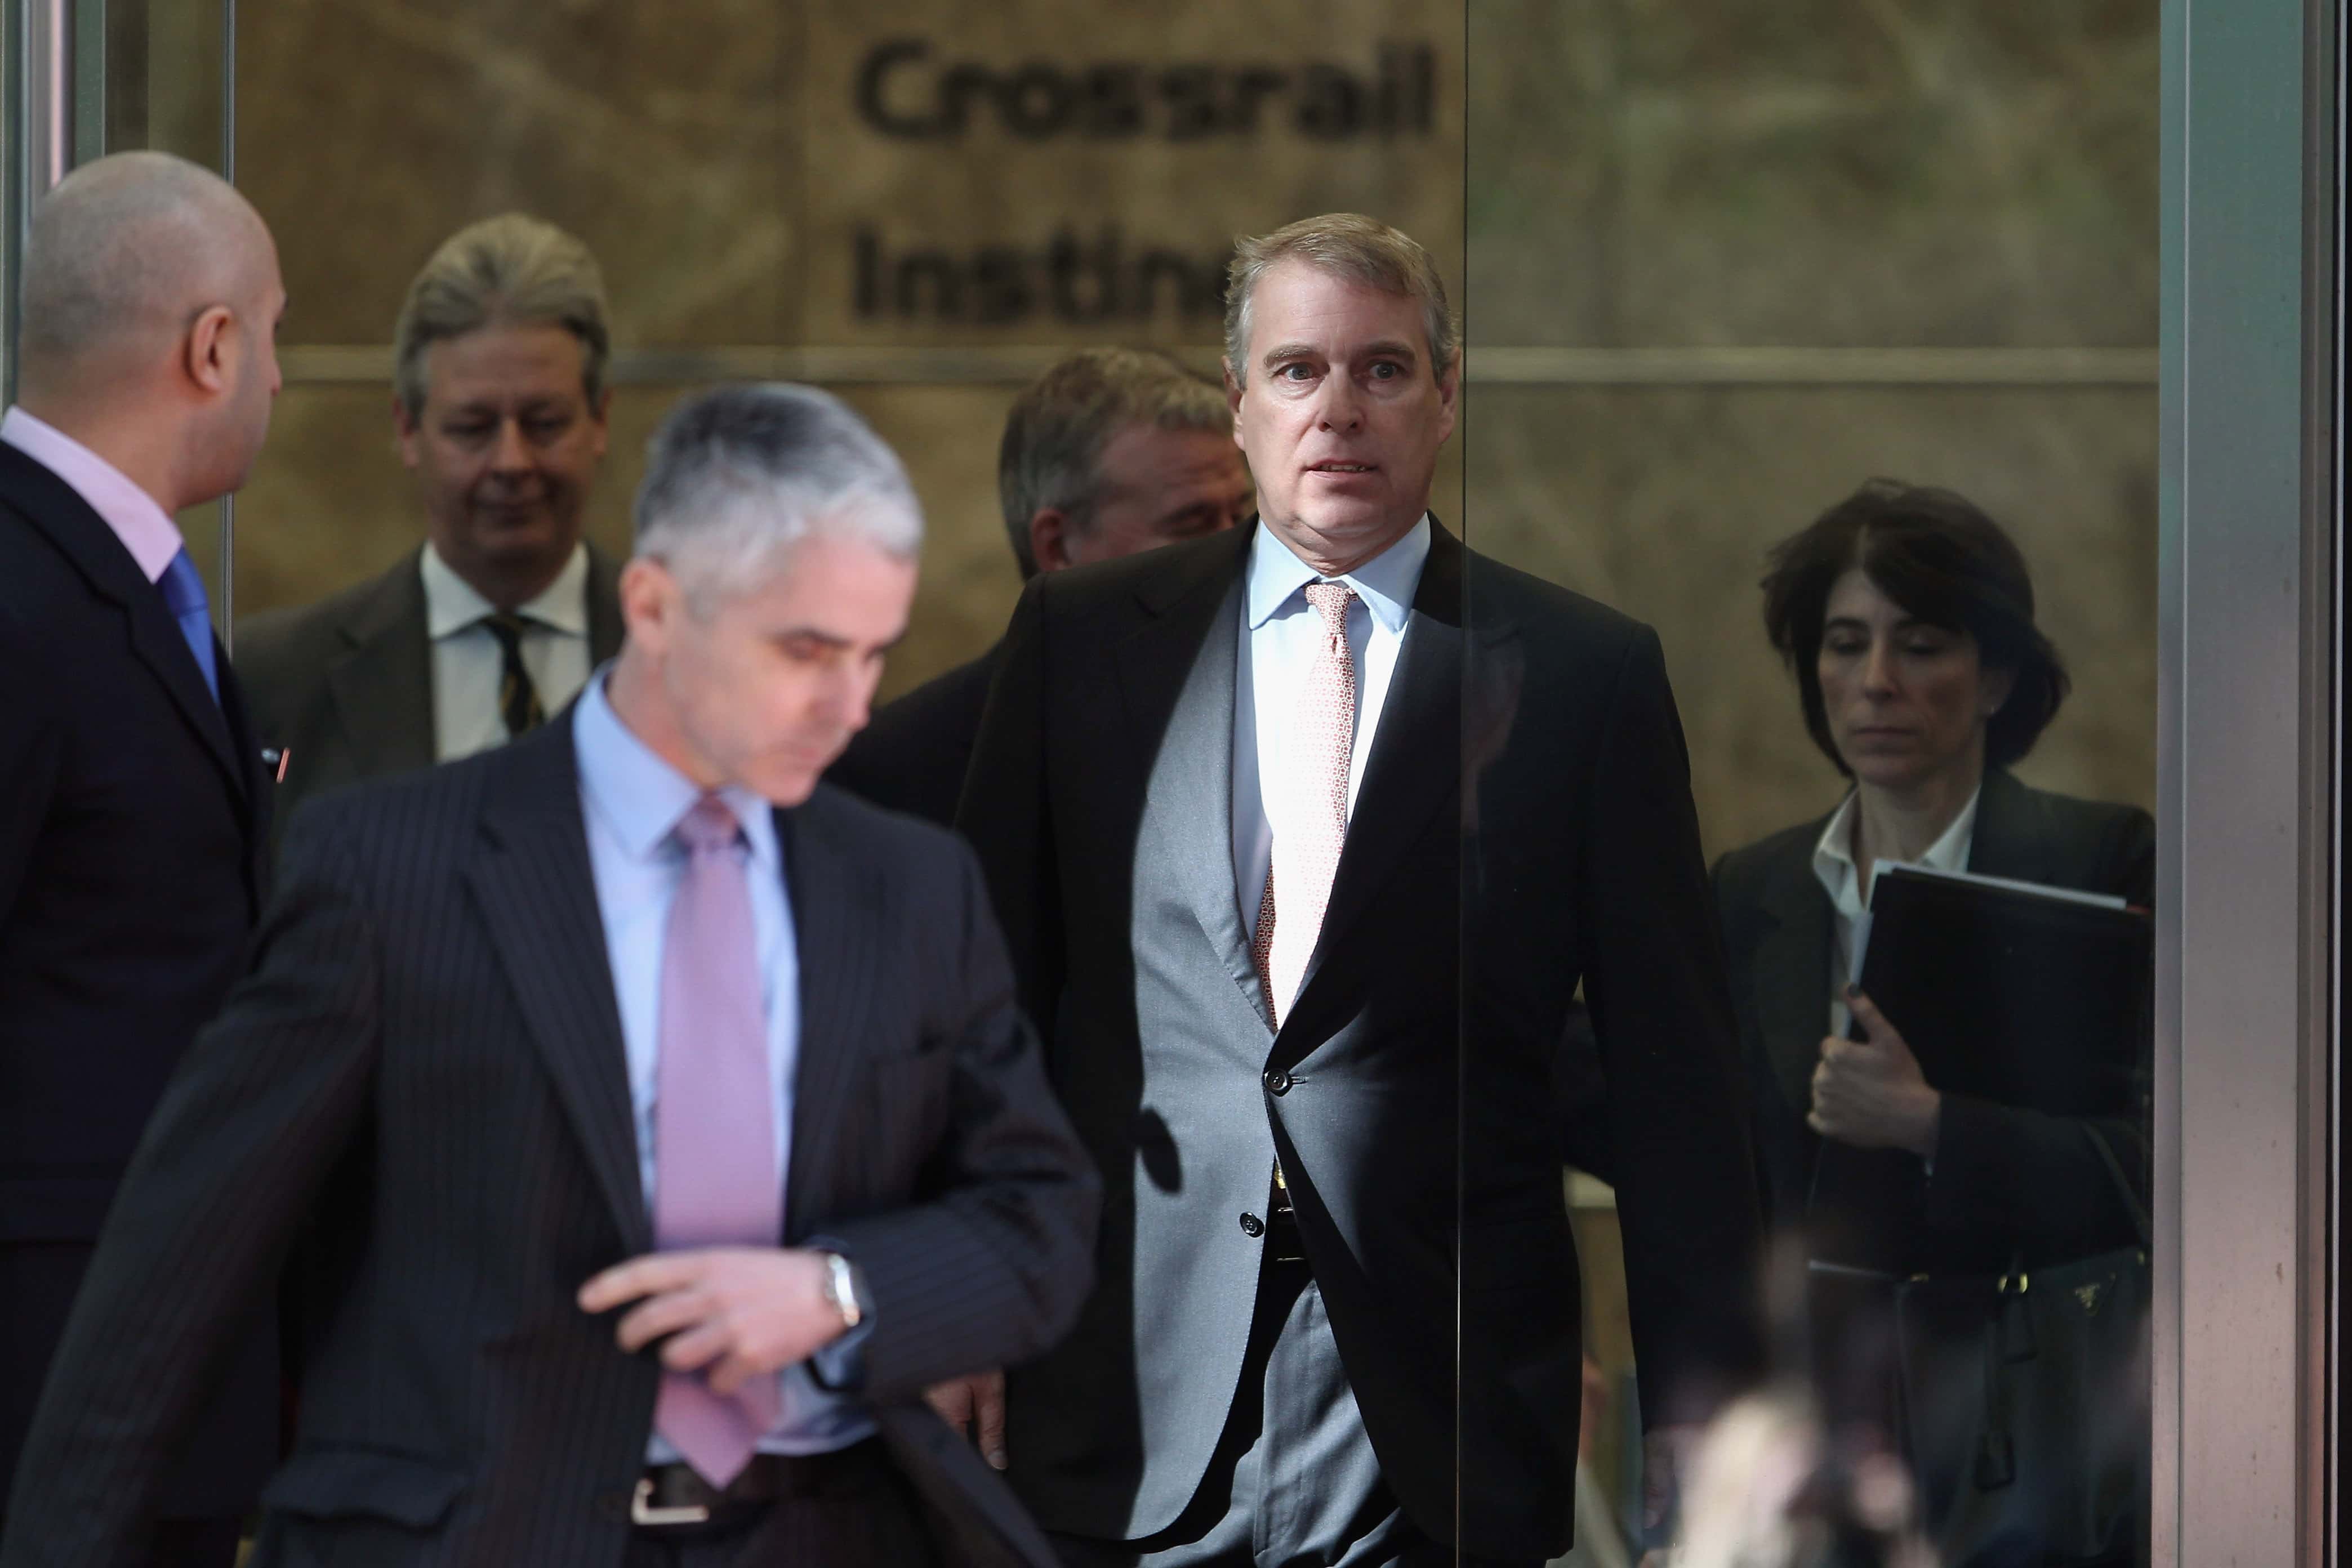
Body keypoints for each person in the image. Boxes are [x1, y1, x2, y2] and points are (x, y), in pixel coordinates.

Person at [0, 385, 1100, 1568]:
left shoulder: (908, 884)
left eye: (874, 653)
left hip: (829, 1531)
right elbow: (172, 1281)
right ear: (656, 607)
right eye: (806, 651)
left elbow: (1037, 1221)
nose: (854, 707)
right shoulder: (391, 872)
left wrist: (840, 1291)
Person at [955, 213, 1763, 1567]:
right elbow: (974, 1008)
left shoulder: (1581, 674)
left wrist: (1708, 1399)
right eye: (1296, 371)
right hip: (1126, 1373)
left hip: (1431, 1391)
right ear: (1239, 403)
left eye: (1382, 370)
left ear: (1445, 397)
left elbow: (1673, 1075)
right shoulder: (1085, 642)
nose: (1337, 410)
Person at [1710, 480, 2153, 1564]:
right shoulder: (1755, 888)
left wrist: (1931, 1123)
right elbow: (1719, 1174)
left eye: (1920, 644)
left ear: (1996, 673)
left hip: (2038, 1413)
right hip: (1815, 1423)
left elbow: (2160, 1171)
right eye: (1844, 643)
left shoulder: (2101, 860)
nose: (1874, 683)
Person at [0, 150, 286, 1568]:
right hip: (50, 1397)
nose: (284, 380)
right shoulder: (23, 590)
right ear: (212, 346)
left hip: (134, 1371)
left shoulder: (113, 580)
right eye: (277, 333)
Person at [239, 213, 625, 841]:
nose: (512, 462)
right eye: (473, 428)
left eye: (545, 422)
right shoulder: (276, 683)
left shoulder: (686, 661)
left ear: (600, 420)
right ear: (407, 430)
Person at [830, 346, 1250, 825]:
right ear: (1058, 546)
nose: (1233, 549)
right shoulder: (891, 775)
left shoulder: (1284, 720)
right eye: (1192, 523)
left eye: (1238, 515)